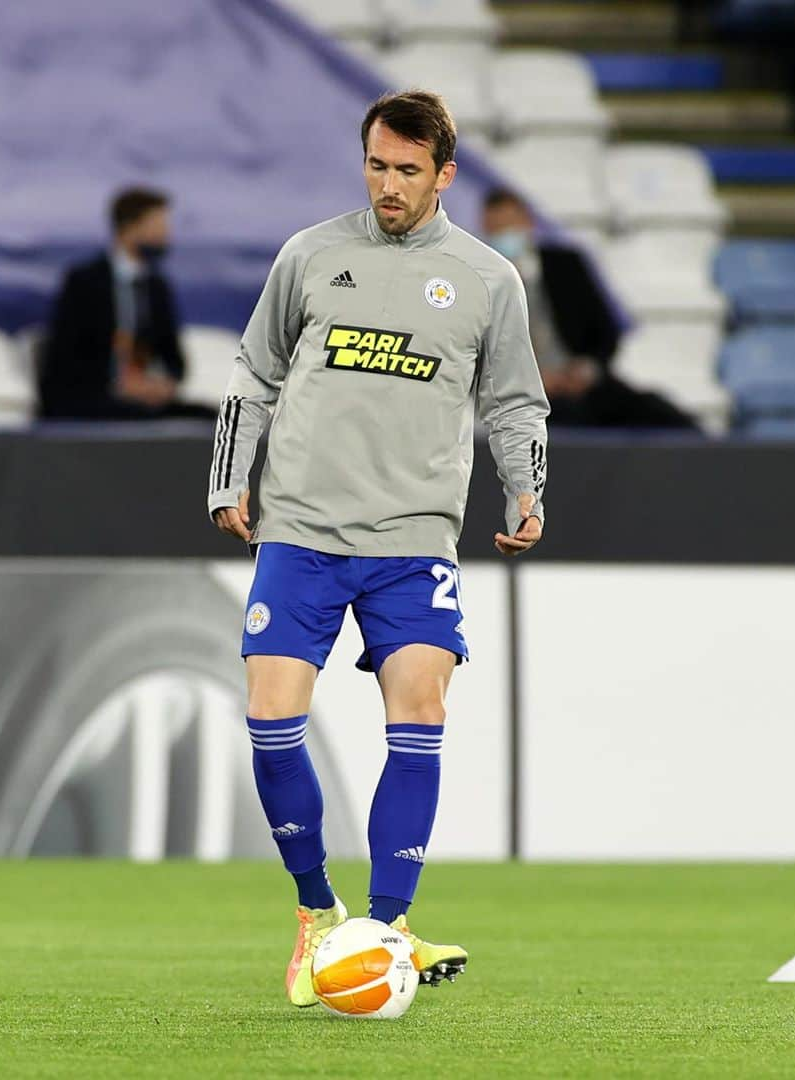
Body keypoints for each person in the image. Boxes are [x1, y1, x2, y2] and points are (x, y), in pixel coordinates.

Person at [207, 90, 549, 1007]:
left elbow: (516, 400)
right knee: (271, 720)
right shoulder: (310, 254)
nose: (387, 185)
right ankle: (318, 916)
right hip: (304, 529)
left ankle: (388, 925)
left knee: (423, 713)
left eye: (407, 170)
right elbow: (255, 371)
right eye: (375, 165)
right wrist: (227, 476)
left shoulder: (487, 280)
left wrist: (527, 486)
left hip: (413, 538)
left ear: (444, 175)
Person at [481, 187, 699, 431]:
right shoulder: (482, 284)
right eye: (496, 228)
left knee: (661, 416)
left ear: (528, 223)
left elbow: (605, 332)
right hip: (527, 398)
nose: (505, 234)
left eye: (510, 224)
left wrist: (585, 370)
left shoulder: (566, 265)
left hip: (584, 385)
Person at [39, 186, 213, 420]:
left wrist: (160, 384)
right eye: (159, 226)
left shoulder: (156, 286)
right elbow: (64, 359)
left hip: (143, 399)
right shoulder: (85, 282)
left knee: (207, 418)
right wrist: (117, 383)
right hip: (90, 397)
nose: (166, 235)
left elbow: (174, 359)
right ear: (131, 228)